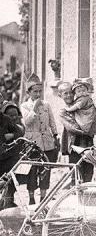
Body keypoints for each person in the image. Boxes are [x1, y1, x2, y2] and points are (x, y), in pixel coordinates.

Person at [20, 74, 60, 204]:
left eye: (39, 91)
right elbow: (27, 122)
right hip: (32, 141)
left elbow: (52, 122)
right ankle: (31, 198)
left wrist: (55, 136)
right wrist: (35, 108)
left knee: (45, 169)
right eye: (35, 92)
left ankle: (43, 198)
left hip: (46, 141)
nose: (38, 94)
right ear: (28, 92)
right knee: (32, 169)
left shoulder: (46, 105)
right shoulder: (25, 106)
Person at [57, 81, 96, 185]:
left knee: (89, 171)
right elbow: (73, 128)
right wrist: (88, 130)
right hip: (74, 145)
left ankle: (87, 197)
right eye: (65, 93)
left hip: (88, 142)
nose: (69, 95)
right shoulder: (64, 111)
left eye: (71, 92)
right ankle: (77, 197)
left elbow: (95, 117)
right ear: (60, 95)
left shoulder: (83, 103)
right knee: (76, 173)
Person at [0, 93, 24, 209]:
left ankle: (8, 203)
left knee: (9, 180)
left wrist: (10, 135)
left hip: (5, 156)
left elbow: (20, 132)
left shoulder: (5, 119)